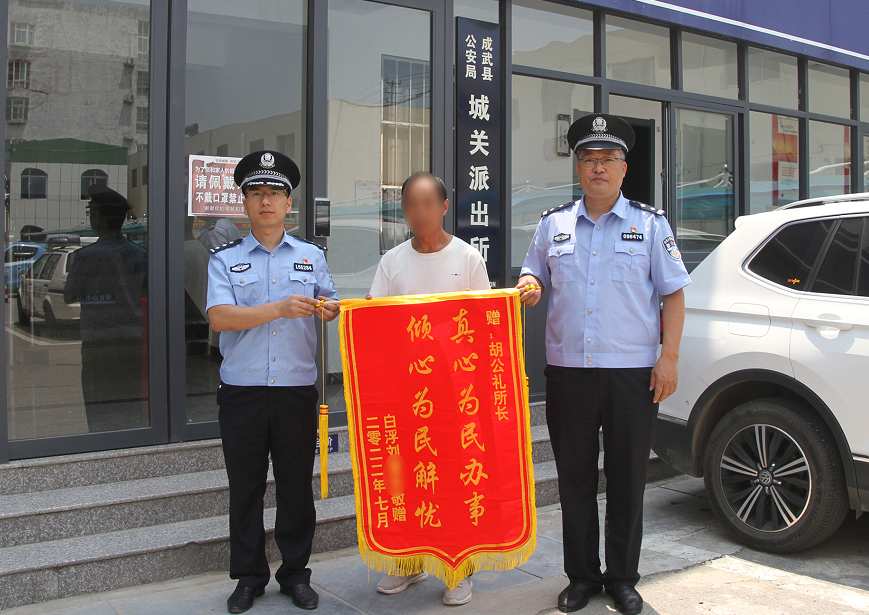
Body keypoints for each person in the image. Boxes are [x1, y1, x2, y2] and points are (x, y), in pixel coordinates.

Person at [517, 114, 691, 615]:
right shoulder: (553, 225)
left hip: (631, 376)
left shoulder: (650, 224)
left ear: (623, 168)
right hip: (568, 373)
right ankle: (581, 578)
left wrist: (669, 358)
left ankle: (622, 579)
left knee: (627, 478)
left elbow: (674, 294)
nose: (598, 168)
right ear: (578, 168)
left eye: (608, 159)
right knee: (573, 478)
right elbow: (532, 272)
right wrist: (530, 285)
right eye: (589, 160)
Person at [206, 150, 339, 613]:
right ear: (244, 202)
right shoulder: (225, 259)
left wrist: (328, 308)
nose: (266, 201)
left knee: (296, 487)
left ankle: (295, 575)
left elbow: (330, 302)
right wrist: (279, 308)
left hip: (295, 390)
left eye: (275, 193)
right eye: (257, 193)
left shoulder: (310, 256)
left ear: (288, 203)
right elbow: (220, 318)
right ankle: (248, 578)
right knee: (245, 488)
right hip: (241, 392)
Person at [367, 171, 489, 606]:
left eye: (427, 203)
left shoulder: (467, 258)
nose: (419, 213)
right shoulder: (392, 261)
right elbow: (374, 320)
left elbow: (482, 324)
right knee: (405, 479)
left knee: (456, 478)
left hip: (455, 394)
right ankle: (408, 562)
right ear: (402, 210)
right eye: (410, 205)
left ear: (444, 206)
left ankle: (459, 570)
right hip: (406, 393)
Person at [63, 185, 147, 433]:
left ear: (98, 218)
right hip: (131, 339)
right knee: (129, 398)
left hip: (97, 340)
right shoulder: (140, 254)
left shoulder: (86, 256)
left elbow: (69, 295)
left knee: (97, 399)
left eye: (92, 213)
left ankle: (102, 442)